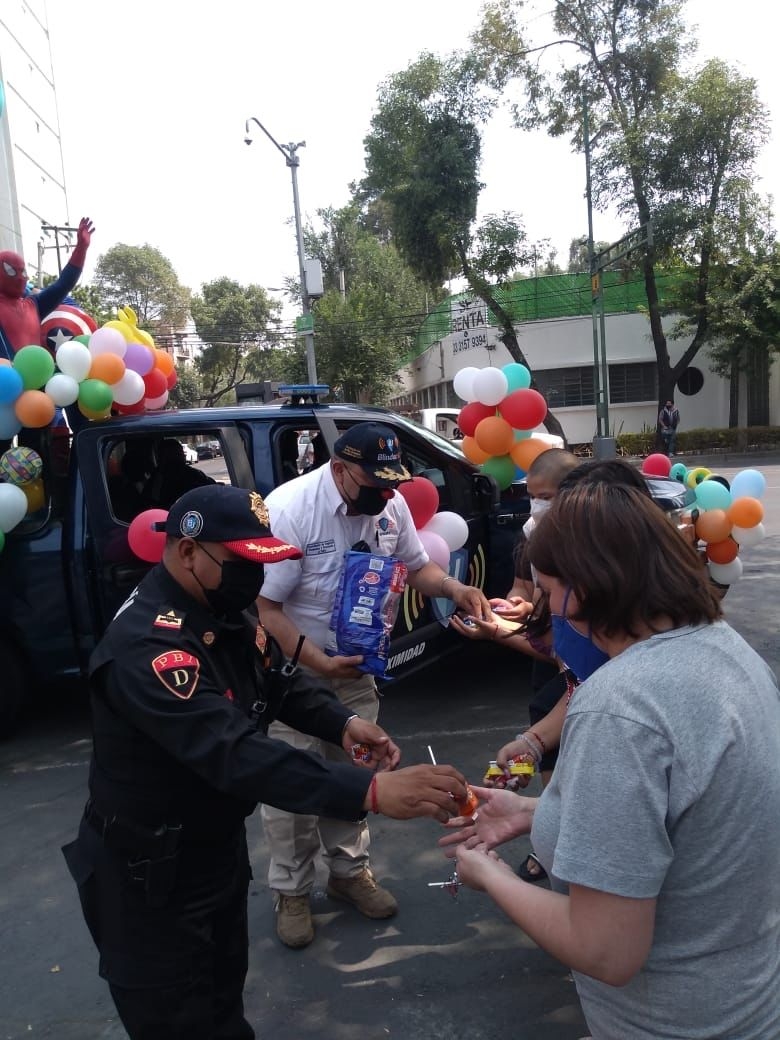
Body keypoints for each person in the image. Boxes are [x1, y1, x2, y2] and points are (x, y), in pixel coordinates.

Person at [62, 484, 467, 1040]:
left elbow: (277, 678)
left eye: (261, 563)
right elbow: (236, 753)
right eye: (240, 563)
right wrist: (370, 793)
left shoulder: (218, 605)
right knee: (178, 1020)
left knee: (225, 999)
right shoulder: (151, 649)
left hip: (211, 848)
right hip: (148, 875)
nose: (253, 579)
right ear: (186, 552)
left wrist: (343, 724)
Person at [440, 481, 780, 1040]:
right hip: (742, 1002)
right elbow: (686, 821)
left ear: (591, 586)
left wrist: (491, 877)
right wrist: (535, 812)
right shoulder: (727, 651)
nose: (548, 611)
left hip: (666, 1020)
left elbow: (606, 950)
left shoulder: (621, 706)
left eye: (549, 591)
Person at [257, 421, 492, 947]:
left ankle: (348, 874)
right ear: (339, 469)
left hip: (356, 674)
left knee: (357, 778)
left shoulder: (390, 504)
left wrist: (455, 588)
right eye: (374, 484)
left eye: (392, 484)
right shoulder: (292, 509)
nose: (385, 495)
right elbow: (266, 607)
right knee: (291, 786)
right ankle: (292, 891)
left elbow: (415, 569)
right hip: (294, 678)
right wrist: (319, 659)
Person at [0, 217, 94, 362]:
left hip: (37, 380)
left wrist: (81, 248)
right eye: (10, 271)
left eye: (23, 271)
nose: (19, 277)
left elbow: (63, 284)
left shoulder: (34, 305)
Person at [144, 437, 217, 508]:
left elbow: (151, 503)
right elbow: (212, 489)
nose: (184, 455)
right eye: (180, 453)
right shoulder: (193, 474)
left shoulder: (157, 478)